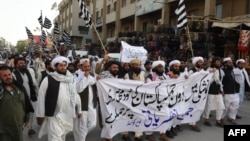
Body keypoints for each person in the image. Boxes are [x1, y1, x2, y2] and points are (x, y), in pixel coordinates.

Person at [36, 56, 82, 141]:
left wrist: (79, 110)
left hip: (67, 114)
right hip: (54, 114)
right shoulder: (48, 79)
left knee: (62, 136)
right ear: (56, 67)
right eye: (60, 65)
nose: (63, 67)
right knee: (55, 137)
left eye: (64, 65)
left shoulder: (71, 79)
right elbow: (41, 97)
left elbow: (75, 95)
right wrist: (40, 114)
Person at [0, 66, 30, 141]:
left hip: (18, 127)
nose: (8, 77)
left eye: (9, 74)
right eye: (4, 75)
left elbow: (24, 104)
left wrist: (26, 118)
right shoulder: (1, 92)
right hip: (4, 130)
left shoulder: (19, 88)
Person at [12, 57, 38, 136]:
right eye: (20, 63)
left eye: (24, 63)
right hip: (19, 99)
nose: (23, 65)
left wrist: (37, 93)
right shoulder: (13, 74)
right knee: (21, 114)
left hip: (29, 96)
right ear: (16, 65)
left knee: (30, 113)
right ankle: (21, 129)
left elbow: (33, 83)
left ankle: (29, 128)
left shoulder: (28, 73)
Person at [96, 60, 122, 141]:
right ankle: (108, 137)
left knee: (113, 118)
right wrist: (103, 59)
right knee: (107, 118)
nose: (116, 69)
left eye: (117, 68)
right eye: (114, 67)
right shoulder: (104, 74)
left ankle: (109, 135)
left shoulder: (118, 76)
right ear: (109, 68)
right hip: (105, 101)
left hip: (115, 101)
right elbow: (97, 71)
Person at [73, 59, 97, 141]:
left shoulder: (92, 76)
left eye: (88, 66)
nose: (87, 68)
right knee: (81, 127)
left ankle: (81, 135)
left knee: (93, 124)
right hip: (82, 106)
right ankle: (81, 137)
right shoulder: (76, 76)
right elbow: (78, 89)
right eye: (85, 66)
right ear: (81, 66)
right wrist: (85, 77)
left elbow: (94, 83)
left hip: (91, 105)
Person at [145, 60, 170, 141]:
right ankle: (149, 134)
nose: (161, 68)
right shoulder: (150, 76)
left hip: (164, 100)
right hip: (153, 101)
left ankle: (162, 133)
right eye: (159, 66)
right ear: (155, 67)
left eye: (161, 66)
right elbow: (149, 87)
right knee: (151, 117)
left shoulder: (165, 76)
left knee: (165, 115)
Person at [122, 58, 145, 141]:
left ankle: (138, 135)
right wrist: (134, 82)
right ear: (131, 66)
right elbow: (126, 88)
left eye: (138, 64)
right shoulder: (127, 75)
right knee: (128, 116)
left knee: (139, 116)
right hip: (130, 100)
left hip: (141, 99)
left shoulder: (143, 74)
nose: (136, 66)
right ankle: (125, 134)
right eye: (134, 65)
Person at [203, 57, 225, 128]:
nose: (219, 63)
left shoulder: (221, 71)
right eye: (217, 61)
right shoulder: (209, 70)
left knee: (220, 106)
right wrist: (211, 73)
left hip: (218, 91)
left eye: (219, 61)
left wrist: (222, 90)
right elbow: (206, 80)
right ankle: (206, 119)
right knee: (208, 106)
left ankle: (218, 120)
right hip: (210, 91)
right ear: (214, 62)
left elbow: (220, 81)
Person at [187, 56, 204, 132]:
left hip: (200, 92)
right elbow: (189, 80)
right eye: (199, 62)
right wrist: (196, 74)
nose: (201, 63)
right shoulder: (191, 71)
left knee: (199, 107)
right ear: (196, 63)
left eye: (201, 62)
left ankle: (194, 121)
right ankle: (192, 124)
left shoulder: (203, 70)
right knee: (193, 107)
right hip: (193, 92)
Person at [221, 57, 240, 124]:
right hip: (227, 92)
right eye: (229, 63)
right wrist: (222, 90)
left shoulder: (233, 70)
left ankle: (231, 118)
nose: (231, 64)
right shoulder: (222, 71)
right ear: (225, 64)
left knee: (235, 106)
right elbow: (220, 81)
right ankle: (221, 118)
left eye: (231, 62)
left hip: (234, 91)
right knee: (225, 107)